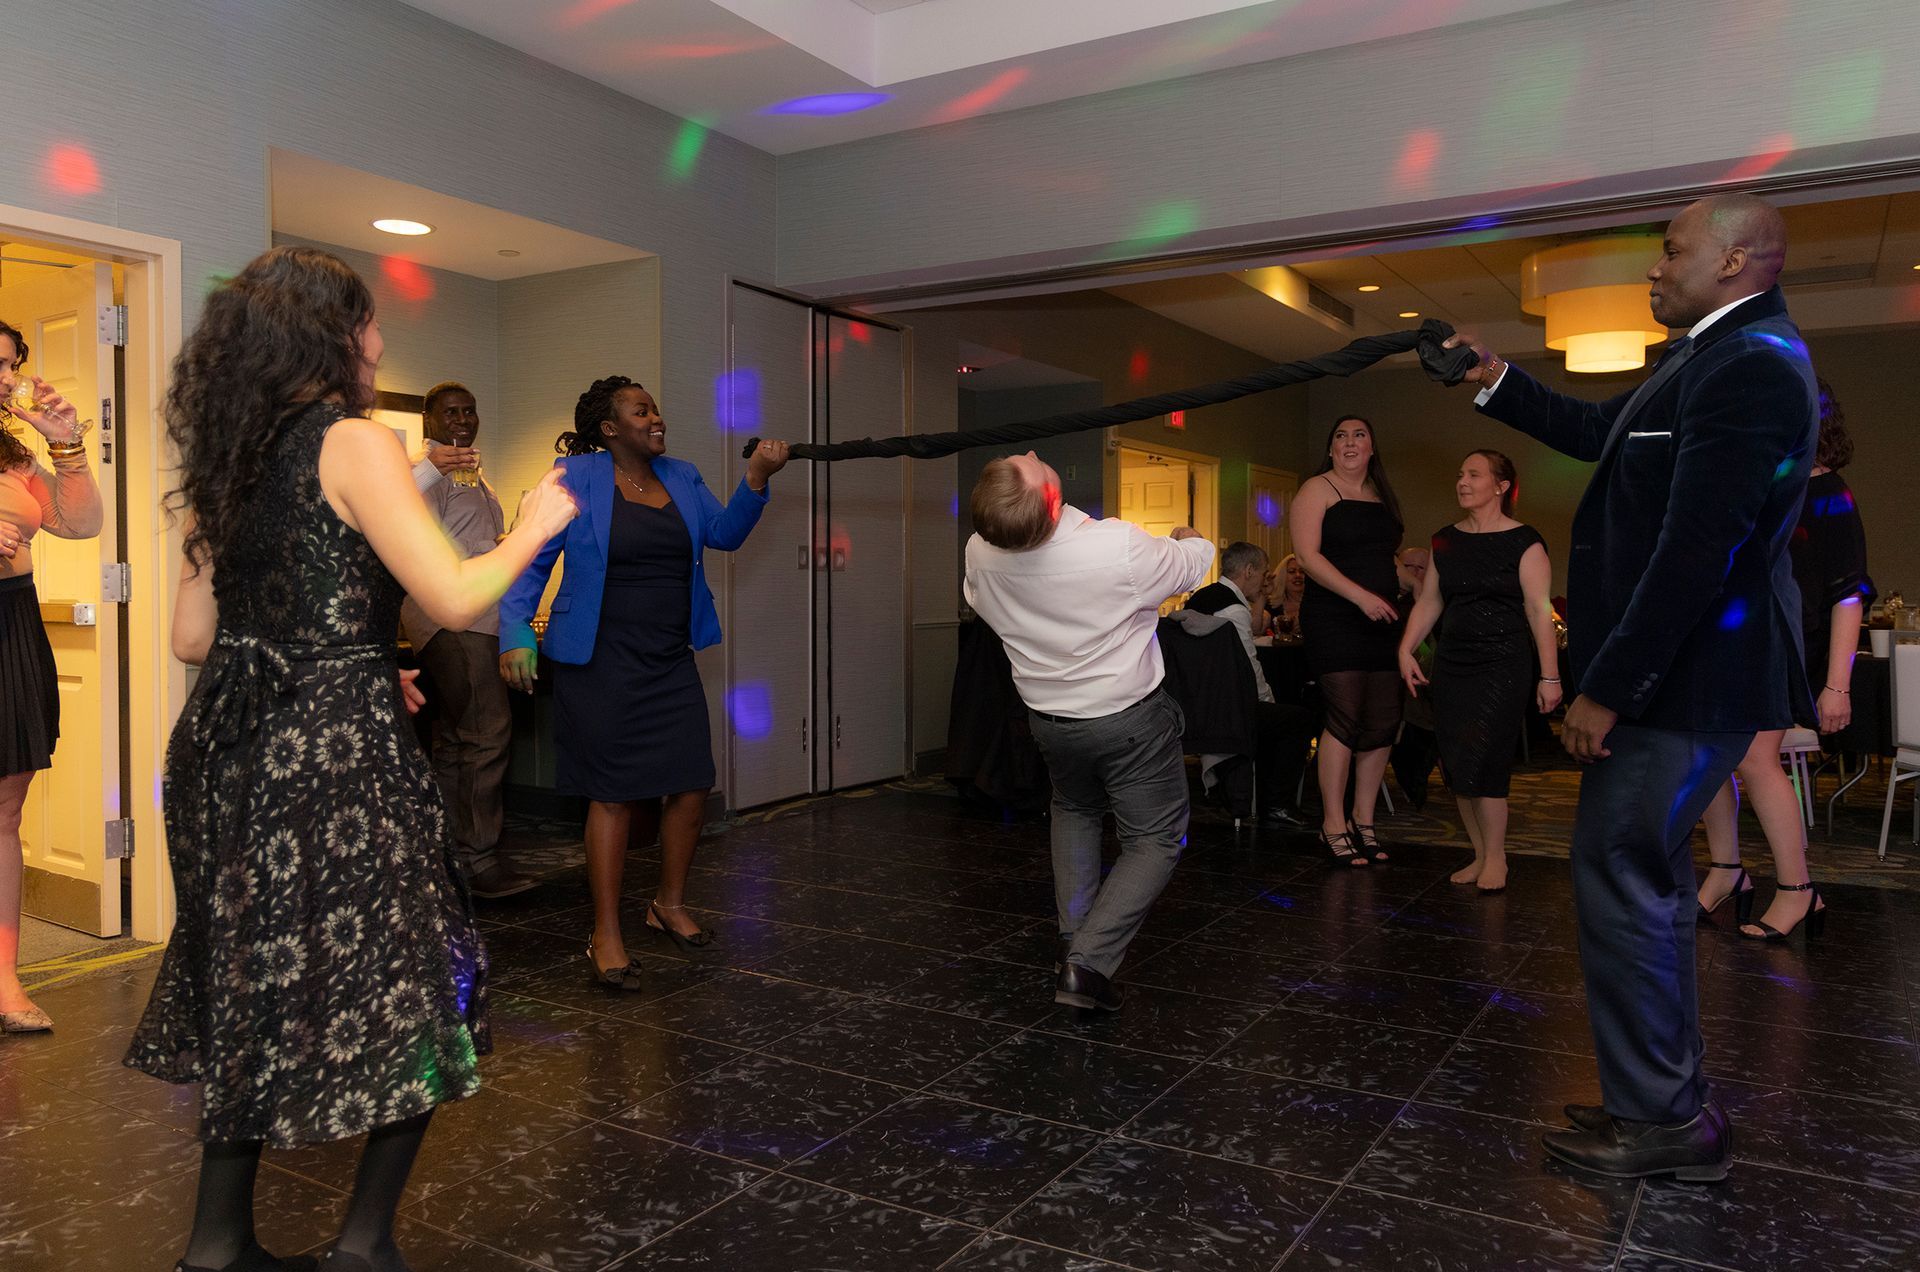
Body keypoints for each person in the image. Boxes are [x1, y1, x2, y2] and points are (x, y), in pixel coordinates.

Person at [124, 246, 578, 1272]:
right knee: (421, 972)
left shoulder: (228, 459)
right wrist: (537, 528)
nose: (378, 342)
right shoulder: (356, 442)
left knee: (246, 978)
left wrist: (362, 654)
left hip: (224, 745)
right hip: (330, 752)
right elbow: (459, 598)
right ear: (330, 336)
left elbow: (194, 639)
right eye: (367, 324)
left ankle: (217, 1241)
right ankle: (364, 1241)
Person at [1444, 193, 1818, 1181]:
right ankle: (1662, 1104)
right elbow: (1598, 431)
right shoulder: (1704, 357)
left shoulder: (1753, 368)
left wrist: (1607, 686)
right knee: (1631, 874)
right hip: (1679, 677)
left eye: (1671, 251)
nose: (1655, 268)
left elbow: (1700, 549)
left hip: (1688, 680)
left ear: (1738, 260)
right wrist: (1496, 382)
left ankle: (1662, 1121)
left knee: (1622, 870)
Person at [498, 376, 788, 989]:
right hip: (599, 660)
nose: (656, 417)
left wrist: (757, 477)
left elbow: (725, 534)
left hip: (667, 658)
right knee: (612, 794)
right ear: (609, 428)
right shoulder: (572, 481)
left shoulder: (681, 476)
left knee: (690, 783)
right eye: (641, 410)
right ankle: (605, 931)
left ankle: (668, 905)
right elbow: (530, 559)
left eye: (655, 407)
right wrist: (517, 633)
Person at [964, 451, 1214, 1011]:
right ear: (1051, 501)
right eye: (1025, 463)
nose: (1027, 451)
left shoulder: (980, 551)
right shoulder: (1115, 547)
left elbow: (980, 601)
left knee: (1075, 810)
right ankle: (1088, 965)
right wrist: (1190, 538)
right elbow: (1195, 564)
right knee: (1154, 837)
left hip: (1051, 723)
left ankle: (1077, 939)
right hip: (1129, 722)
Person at [1695, 377, 1868, 939]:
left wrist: (1837, 684)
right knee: (1710, 756)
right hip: (1734, 639)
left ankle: (1798, 891)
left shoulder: (1829, 491)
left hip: (1785, 644)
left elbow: (1848, 592)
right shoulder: (1766, 487)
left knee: (1753, 760)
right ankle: (1727, 871)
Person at [0, 320, 101, 1035]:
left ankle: (4, 979)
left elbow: (80, 522)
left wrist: (65, 445)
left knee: (5, 812)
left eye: (10, 365)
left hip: (11, 625)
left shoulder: (12, 453)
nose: (5, 378)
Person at [1398, 450, 1560, 895]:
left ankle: (1498, 857)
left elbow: (1538, 610)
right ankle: (1480, 853)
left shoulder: (1524, 541)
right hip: (1453, 665)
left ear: (1501, 486)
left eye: (1474, 474)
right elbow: (1430, 601)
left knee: (1486, 761)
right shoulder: (1444, 541)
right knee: (1457, 764)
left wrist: (1551, 677)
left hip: (1503, 666)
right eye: (1460, 473)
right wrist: (1406, 648)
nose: (1462, 481)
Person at [400, 382, 535, 899]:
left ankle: (448, 858)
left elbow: (473, 543)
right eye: (451, 412)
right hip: (453, 619)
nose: (463, 419)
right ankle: (477, 861)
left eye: (470, 411)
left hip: (479, 616)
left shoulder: (474, 477)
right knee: (486, 731)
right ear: (429, 421)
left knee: (456, 739)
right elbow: (408, 530)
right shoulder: (427, 473)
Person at [1290, 415, 1405, 866]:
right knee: (1344, 715)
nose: (1350, 442)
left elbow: (1384, 556)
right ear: (1332, 448)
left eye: (1359, 435)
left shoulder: (1381, 496)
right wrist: (1361, 598)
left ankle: (1364, 819)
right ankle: (1333, 824)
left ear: (1372, 447)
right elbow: (1307, 555)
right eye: (1340, 436)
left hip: (1383, 618)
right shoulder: (1318, 489)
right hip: (1337, 617)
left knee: (1382, 719)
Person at [1185, 541, 1315, 828]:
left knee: (1277, 718)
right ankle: (1278, 803)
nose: (1267, 579)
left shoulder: (1200, 598)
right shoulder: (1233, 609)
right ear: (1248, 571)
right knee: (1298, 719)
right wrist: (1268, 700)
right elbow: (1248, 667)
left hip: (1196, 704)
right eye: (1265, 573)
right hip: (1225, 711)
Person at [1264, 552, 1307, 639]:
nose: (1298, 575)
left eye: (1302, 572)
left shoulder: (1317, 604)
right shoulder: (1272, 605)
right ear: (1282, 576)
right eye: (1292, 572)